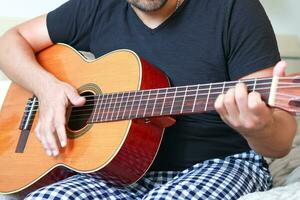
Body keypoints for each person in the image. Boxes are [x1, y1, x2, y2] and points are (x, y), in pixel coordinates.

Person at [0, 0, 297, 199]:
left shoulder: (233, 8)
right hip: (114, 172)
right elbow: (10, 42)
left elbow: (280, 143)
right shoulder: (97, 7)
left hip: (218, 164)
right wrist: (47, 89)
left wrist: (257, 127)